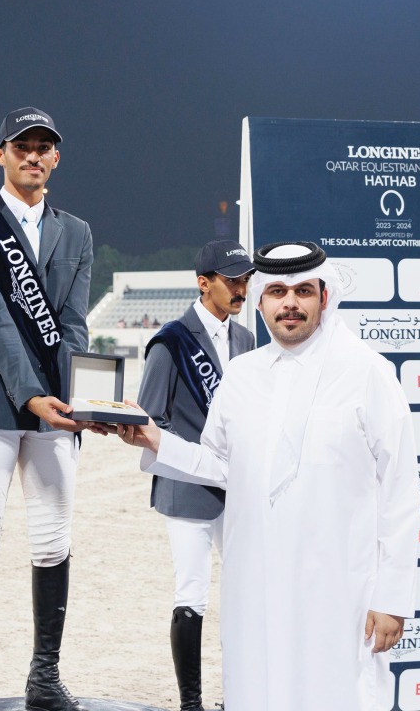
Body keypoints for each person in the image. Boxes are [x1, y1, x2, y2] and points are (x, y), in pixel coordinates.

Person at [97, 241, 419, 710]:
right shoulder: (242, 376)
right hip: (257, 586)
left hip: (339, 590)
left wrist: (392, 597)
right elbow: (222, 467)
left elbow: (400, 492)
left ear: (324, 298)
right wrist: (154, 439)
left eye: (303, 291)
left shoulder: (368, 372)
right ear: (262, 300)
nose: (290, 303)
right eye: (277, 292)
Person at [0, 107, 94, 711]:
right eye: (21, 145)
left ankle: (44, 679)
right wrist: (31, 393)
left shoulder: (77, 231)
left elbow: (74, 323)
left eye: (44, 147)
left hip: (58, 403)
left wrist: (80, 395)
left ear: (56, 158)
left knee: (54, 541)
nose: (33, 155)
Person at [137, 240, 255, 711]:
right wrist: (194, 459)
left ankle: (240, 694)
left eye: (245, 279)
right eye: (232, 280)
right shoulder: (170, 341)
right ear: (204, 283)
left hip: (236, 489)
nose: (241, 288)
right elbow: (149, 420)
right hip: (187, 489)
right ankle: (191, 704)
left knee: (244, 591)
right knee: (192, 594)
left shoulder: (247, 340)